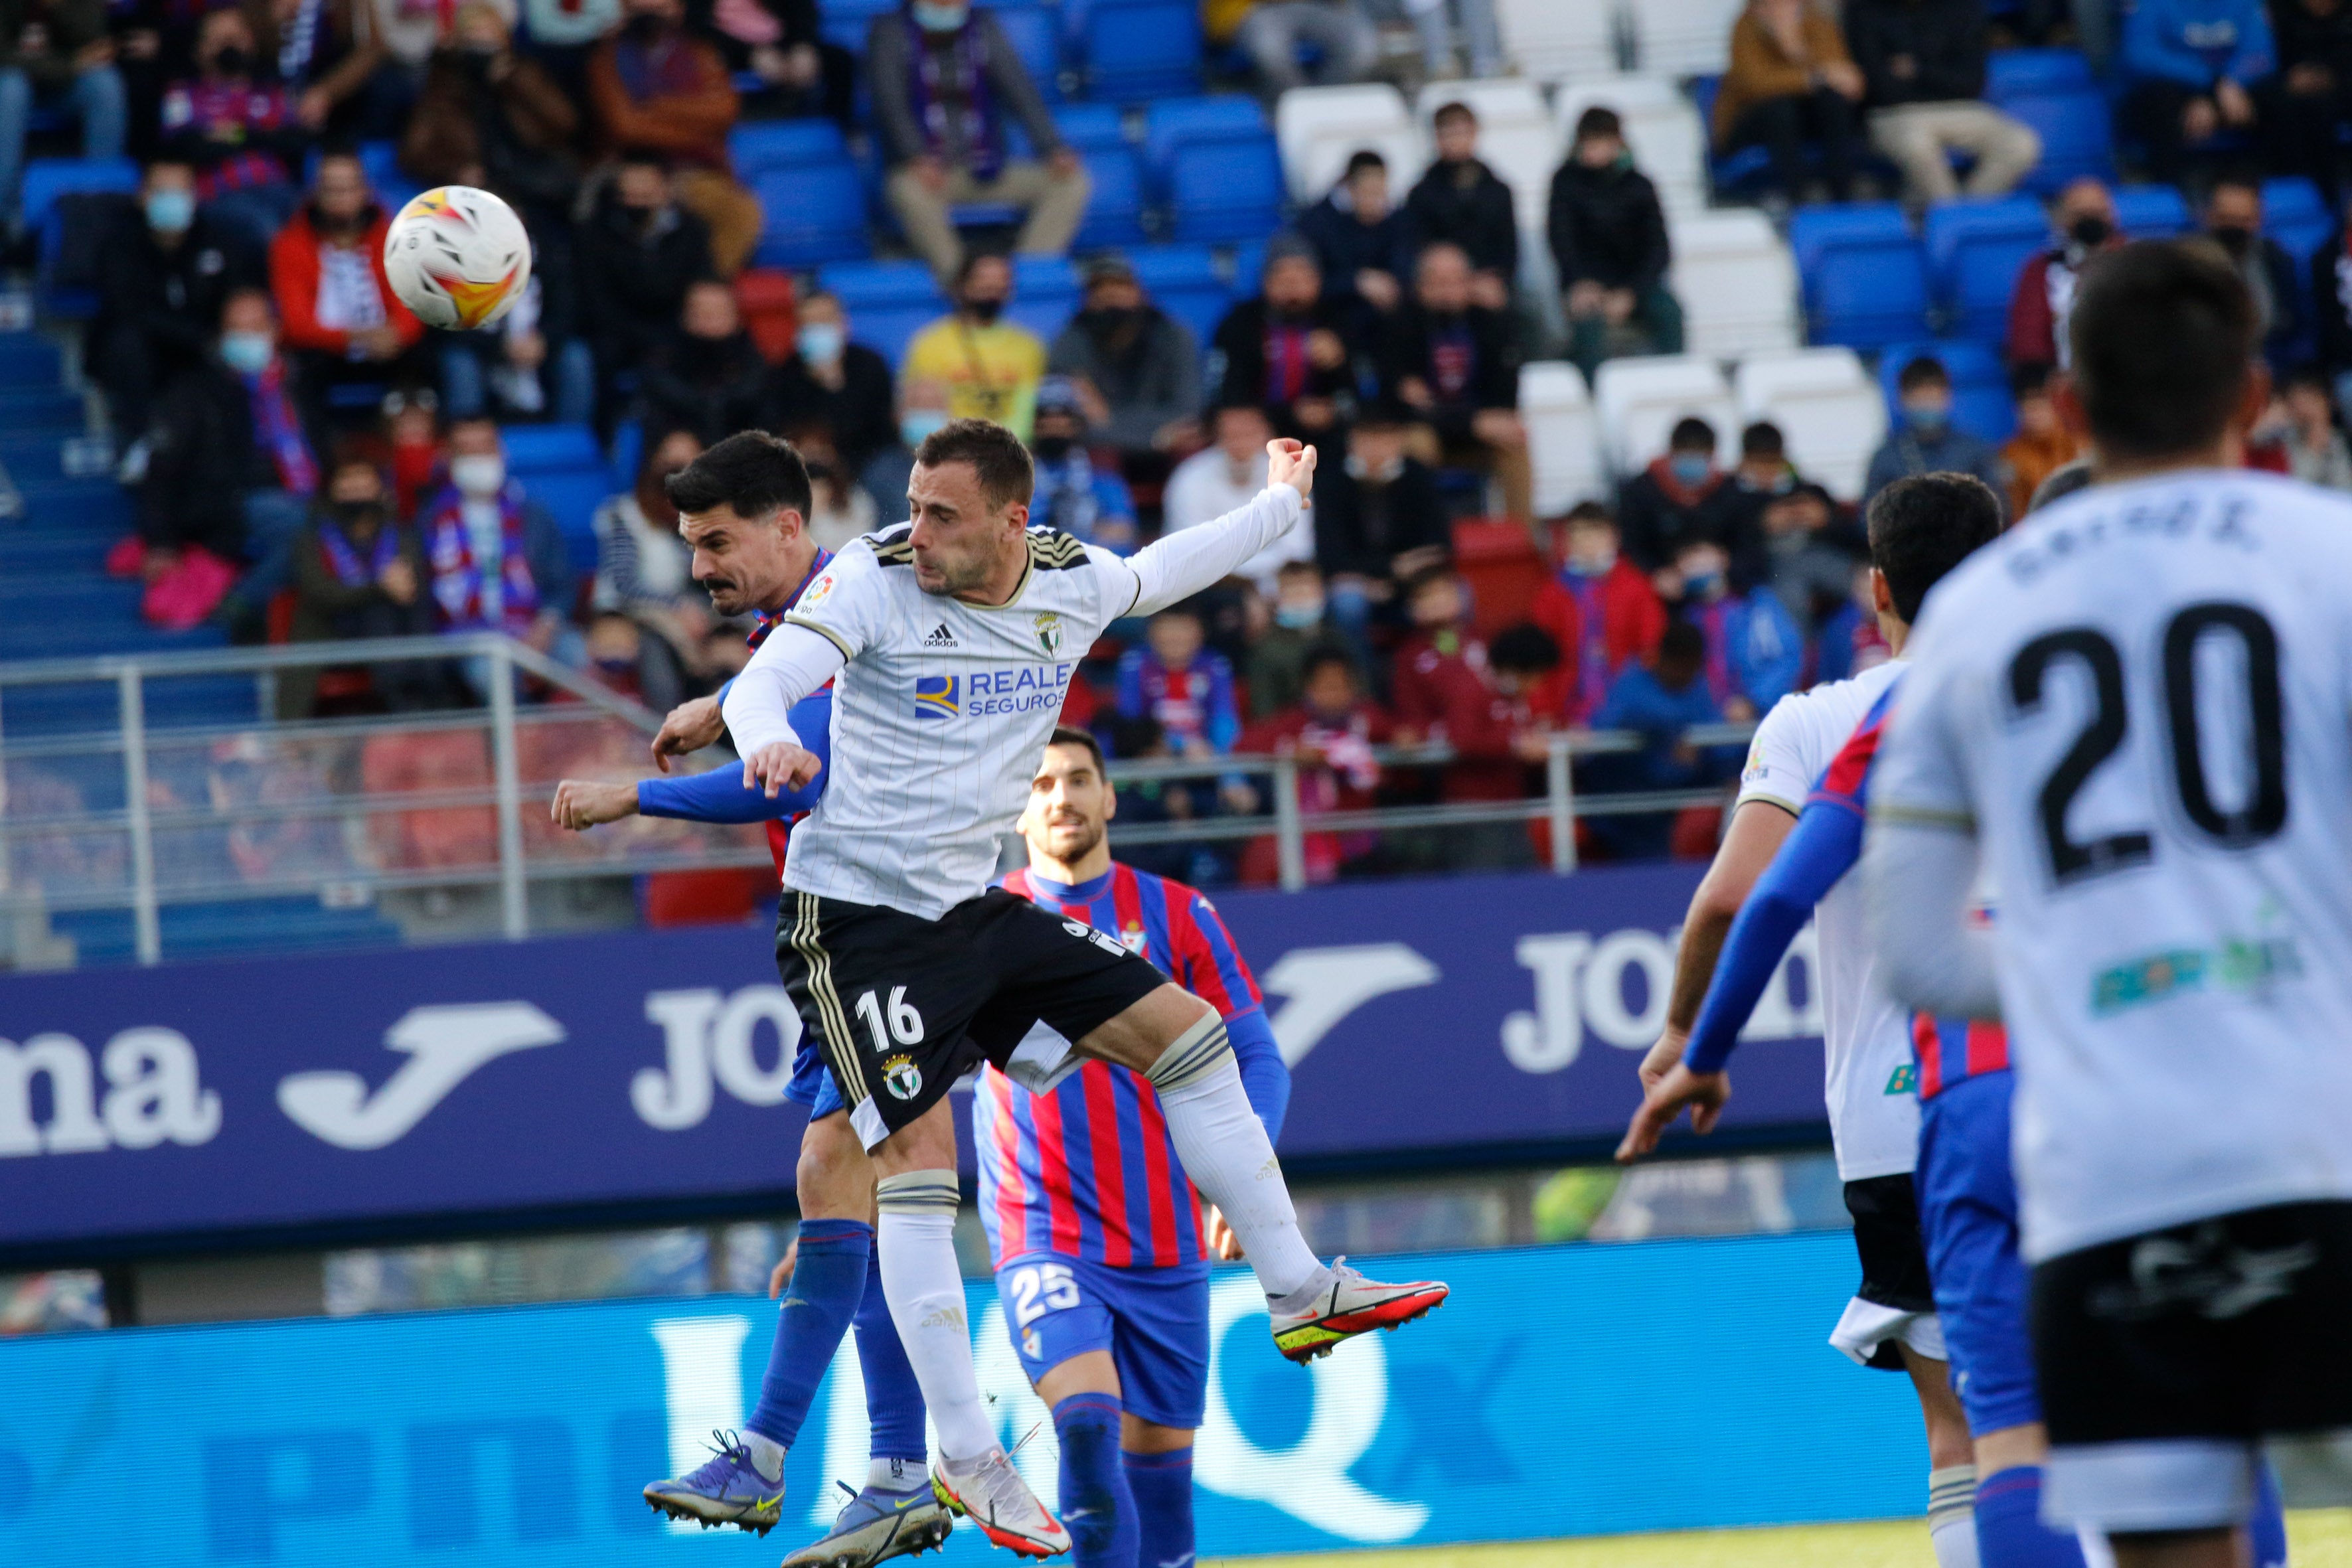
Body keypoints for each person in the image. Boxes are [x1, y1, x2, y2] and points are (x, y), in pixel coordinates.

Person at [708, 420, 1446, 1552]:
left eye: (943, 513)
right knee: (913, 1168)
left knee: (1189, 1036)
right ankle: (963, 1455)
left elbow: (1162, 570)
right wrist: (762, 742)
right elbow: (765, 681)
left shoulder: (1067, 578)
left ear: (1011, 520)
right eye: (911, 502)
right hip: (856, 923)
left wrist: (1280, 504)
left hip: (970, 912)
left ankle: (1296, 1288)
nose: (918, 530)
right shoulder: (871, 576)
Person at [1861, 238, 2352, 1568]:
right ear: (2250, 394)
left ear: (2066, 409)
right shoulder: (2330, 554)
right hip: (2318, 1132)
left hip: (2110, 1164)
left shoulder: (1976, 617)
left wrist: (2102, 959)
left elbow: (1915, 947)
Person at [556, 447, 948, 1565]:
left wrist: (636, 791)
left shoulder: (836, 620)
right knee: (842, 1186)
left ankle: (854, 1466)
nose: (702, 566)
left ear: (788, 527)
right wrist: (722, 701)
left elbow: (801, 772)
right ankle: (862, 1469)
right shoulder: (808, 627)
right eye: (690, 546)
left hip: (894, 926)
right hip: (874, 924)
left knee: (856, 1185)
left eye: (719, 542)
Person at [1618, 472, 2013, 1568]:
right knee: (2116, 1408)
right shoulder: (2059, 690)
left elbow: (1738, 896)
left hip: (1900, 1121)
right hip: (2069, 1085)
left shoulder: (1820, 720)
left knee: (1962, 1427)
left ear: (1873, 589)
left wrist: (1685, 1040)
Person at [979, 728, 1289, 1568]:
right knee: (1084, 1428)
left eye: (1079, 779)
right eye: (1040, 783)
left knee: (1162, 1501)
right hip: (1043, 1233)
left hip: (1166, 1242)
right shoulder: (977, 924)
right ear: (1016, 805)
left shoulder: (1180, 914)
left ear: (1111, 797)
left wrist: (1242, 1181)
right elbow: (904, 1086)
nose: (1061, 797)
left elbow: (1257, 1056)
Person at [868, 0, 1087, 287]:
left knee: (1070, 182)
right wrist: (916, 156)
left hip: (986, 164)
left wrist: (1052, 148)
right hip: (930, 171)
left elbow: (1020, 90)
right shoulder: (890, 31)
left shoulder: (982, 25)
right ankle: (964, 284)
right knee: (907, 190)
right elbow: (890, 103)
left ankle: (1022, 280)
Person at [141, 287, 319, 602]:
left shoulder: (300, 382)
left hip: (304, 492)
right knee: (311, 528)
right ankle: (239, 605)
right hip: (230, 502)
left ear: (275, 330)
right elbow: (163, 466)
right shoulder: (197, 391)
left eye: (255, 328)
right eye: (236, 330)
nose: (246, 338)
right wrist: (161, 542)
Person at [90, 155, 258, 448]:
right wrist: (199, 338)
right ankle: (139, 441)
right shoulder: (118, 244)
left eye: (180, 192)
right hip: (148, 352)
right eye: (161, 192)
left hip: (204, 351)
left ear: (195, 196)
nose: (172, 200)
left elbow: (238, 297)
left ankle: (250, 441)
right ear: (143, 197)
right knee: (126, 343)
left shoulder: (220, 241)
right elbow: (128, 309)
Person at [588, 0, 761, 277]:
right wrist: (697, 130)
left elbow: (725, 109)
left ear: (679, 11)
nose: (652, 15)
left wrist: (658, 106)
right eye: (641, 8)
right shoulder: (607, 58)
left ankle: (703, 289)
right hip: (628, 168)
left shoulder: (700, 53)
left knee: (741, 212)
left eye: (662, 7)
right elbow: (626, 127)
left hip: (694, 171)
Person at [1389, 569, 1551, 854]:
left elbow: (1515, 699)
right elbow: (1414, 718)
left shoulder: (1488, 642)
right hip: (1459, 784)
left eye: (1443, 592)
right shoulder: (1409, 657)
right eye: (1425, 597)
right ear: (1412, 608)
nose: (1436, 601)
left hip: (1509, 787)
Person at [268, 150, 426, 424]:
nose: (341, 198)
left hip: (387, 347)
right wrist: (352, 338)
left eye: (348, 188)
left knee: (430, 355)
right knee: (295, 369)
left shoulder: (395, 237)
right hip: (323, 351)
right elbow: (295, 323)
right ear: (316, 193)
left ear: (365, 190)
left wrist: (397, 334)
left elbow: (411, 303)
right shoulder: (289, 244)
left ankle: (416, 451)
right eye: (332, 190)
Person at [283, 450, 438, 716]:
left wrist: (397, 587)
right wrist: (379, 587)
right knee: (378, 609)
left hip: (394, 627)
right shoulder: (310, 540)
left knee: (393, 612)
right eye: (347, 481)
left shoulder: (403, 536)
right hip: (332, 635)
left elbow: (412, 585)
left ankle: (427, 702)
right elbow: (323, 594)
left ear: (380, 489)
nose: (355, 489)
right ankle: (405, 707)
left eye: (363, 480)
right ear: (331, 489)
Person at [1385, 241, 1531, 522]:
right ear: (1420, 287)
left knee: (1515, 439)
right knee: (1417, 444)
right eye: (1437, 283)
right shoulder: (1400, 327)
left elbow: (1505, 396)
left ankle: (1525, 542)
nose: (1447, 293)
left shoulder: (1491, 325)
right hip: (1428, 432)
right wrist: (1473, 422)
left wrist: (1480, 422)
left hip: (1477, 432)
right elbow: (1403, 406)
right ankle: (1424, 538)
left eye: (1455, 282)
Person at [1843, 0, 2041, 202]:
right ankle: (1954, 218)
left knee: (2020, 143)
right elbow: (1881, 88)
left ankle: (1962, 216)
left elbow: (1972, 82)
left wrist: (1919, 71)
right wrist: (1943, 79)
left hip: (1960, 109)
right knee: (1917, 145)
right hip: (1894, 114)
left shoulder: (1962, 7)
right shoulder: (1864, 9)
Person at [399, 0, 580, 220]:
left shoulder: (525, 72)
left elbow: (565, 123)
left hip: (536, 183)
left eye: (489, 32)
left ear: (504, 37)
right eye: (473, 33)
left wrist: (514, 82)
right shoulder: (443, 85)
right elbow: (415, 153)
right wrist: (457, 170)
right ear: (459, 40)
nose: (482, 40)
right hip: (476, 192)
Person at [1233, 644, 1392, 884]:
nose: (1332, 694)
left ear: (1353, 688)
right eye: (1324, 687)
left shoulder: (1368, 718)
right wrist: (1292, 752)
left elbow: (1397, 738)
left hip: (1361, 840)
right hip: (1310, 842)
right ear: (1309, 689)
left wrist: (1404, 739)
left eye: (1339, 686)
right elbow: (1243, 745)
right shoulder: (1295, 722)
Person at [1583, 620, 1741, 860]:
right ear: (1662, 658)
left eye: (1690, 668)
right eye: (1679, 667)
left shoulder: (1698, 688)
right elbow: (1606, 728)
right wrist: (1669, 737)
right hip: (1625, 805)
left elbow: (1715, 739)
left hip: (1672, 801)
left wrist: (1699, 749)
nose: (1683, 675)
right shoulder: (1634, 682)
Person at [416, 416, 573, 655]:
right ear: (449, 458)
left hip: (533, 628)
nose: (479, 458)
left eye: (485, 448)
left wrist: (546, 626)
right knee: (493, 673)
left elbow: (561, 582)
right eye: (467, 450)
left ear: (501, 451)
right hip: (462, 639)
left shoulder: (533, 515)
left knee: (578, 655)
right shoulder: (430, 520)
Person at [1548, 106, 1682, 380]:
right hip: (1587, 286)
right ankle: (1594, 394)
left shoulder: (1640, 186)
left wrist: (1631, 292)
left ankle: (1674, 383)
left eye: (1599, 141)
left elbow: (1659, 249)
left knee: (1669, 312)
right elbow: (1562, 242)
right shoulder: (1565, 183)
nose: (1591, 150)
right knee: (1587, 322)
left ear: (1616, 143)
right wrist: (1579, 283)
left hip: (1635, 284)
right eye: (1587, 141)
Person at [577, 151, 717, 412]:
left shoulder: (692, 231)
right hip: (619, 336)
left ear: (665, 192)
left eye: (646, 196)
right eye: (629, 196)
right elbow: (597, 303)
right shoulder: (595, 235)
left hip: (677, 332)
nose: (636, 204)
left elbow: (699, 287)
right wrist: (647, 340)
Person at [1310, 402, 1452, 651]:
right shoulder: (1330, 482)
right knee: (1348, 604)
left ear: (1399, 440)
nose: (1376, 448)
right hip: (1357, 582)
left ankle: (1447, 664)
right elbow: (1330, 554)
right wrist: (1390, 569)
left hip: (1415, 579)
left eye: (1385, 439)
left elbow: (1440, 544)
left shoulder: (1418, 476)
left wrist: (1402, 577)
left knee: (1456, 596)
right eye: (1368, 439)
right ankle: (1365, 681)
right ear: (1352, 440)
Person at [159, 7, 305, 248]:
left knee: (316, 226)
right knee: (271, 233)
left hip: (279, 190)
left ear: (251, 45)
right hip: (219, 195)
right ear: (199, 50)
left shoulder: (272, 94)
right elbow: (186, 147)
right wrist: (260, 135)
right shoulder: (183, 96)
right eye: (219, 41)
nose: (229, 48)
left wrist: (234, 135)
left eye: (236, 39)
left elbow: (294, 142)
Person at [1046, 255, 1202, 463]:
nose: (1111, 296)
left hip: (1168, 447)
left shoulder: (1173, 337)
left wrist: (1109, 421)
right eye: (1101, 290)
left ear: (1141, 294)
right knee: (1098, 454)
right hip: (1105, 451)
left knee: (1190, 445)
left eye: (1120, 287)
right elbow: (1070, 425)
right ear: (1087, 300)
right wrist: (1155, 438)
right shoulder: (1070, 342)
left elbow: (1187, 412)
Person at [1712, 0, 1867, 203]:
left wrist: (1798, 51)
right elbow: (1756, 85)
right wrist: (1810, 77)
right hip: (1755, 123)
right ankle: (1798, 199)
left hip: (1804, 120)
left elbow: (1843, 78)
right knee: (1780, 109)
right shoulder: (1746, 28)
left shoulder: (1817, 23)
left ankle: (1843, 195)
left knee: (1832, 104)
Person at [1209, 234, 1358, 442]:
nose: (1293, 289)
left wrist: (1338, 367)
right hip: (1258, 435)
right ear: (1266, 282)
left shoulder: (1339, 322)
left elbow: (1362, 392)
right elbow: (1226, 394)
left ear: (1318, 281)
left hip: (1330, 437)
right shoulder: (1240, 323)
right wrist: (1288, 413)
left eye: (1302, 278)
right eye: (1283, 279)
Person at [1529, 501, 1666, 726]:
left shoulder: (1637, 589)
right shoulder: (1553, 593)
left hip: (1627, 711)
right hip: (1566, 712)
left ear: (1614, 537)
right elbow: (1538, 659)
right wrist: (1542, 710)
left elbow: (1650, 651)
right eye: (1577, 537)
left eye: (1594, 535)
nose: (1586, 545)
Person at [591, 426, 710, 681]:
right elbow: (624, 584)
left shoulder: (697, 522)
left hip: (683, 612)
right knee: (655, 645)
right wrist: (676, 606)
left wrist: (694, 609)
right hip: (624, 613)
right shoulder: (623, 516)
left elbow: (704, 583)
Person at [1724, 421, 1861, 639]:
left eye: (1772, 463)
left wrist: (1826, 520)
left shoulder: (1808, 490)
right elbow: (1729, 546)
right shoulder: (1730, 496)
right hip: (1771, 568)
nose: (1767, 472)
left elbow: (1853, 536)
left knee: (1865, 585)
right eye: (1760, 464)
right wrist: (1760, 526)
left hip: (1818, 558)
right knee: (1792, 598)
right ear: (1745, 461)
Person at [1162, 402, 1312, 598]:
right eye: (1232, 435)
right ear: (1217, 436)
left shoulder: (1290, 473)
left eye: (1249, 434)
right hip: (1210, 587)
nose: (1241, 444)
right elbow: (1191, 552)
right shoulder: (1189, 477)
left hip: (1277, 586)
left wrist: (1258, 585)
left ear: (1267, 434)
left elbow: (1297, 550)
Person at [2119, 0, 2277, 185]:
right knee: (2158, 101)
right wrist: (2212, 83)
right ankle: (2172, 196)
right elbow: (2139, 55)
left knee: (2278, 97)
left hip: (2234, 91)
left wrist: (2230, 84)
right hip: (2176, 89)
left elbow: (2262, 55)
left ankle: (2288, 195)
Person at [0, 0, 124, 232]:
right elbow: (3, 58)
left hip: (61, 88)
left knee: (105, 83)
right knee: (11, 88)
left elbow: (97, 47)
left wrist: (62, 8)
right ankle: (3, 214)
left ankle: (101, 198)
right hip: (12, 89)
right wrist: (69, 66)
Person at [902, 250, 1048, 439]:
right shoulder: (930, 343)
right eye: (984, 279)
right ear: (963, 285)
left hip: (1008, 453)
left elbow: (1029, 417)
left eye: (1001, 280)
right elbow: (918, 418)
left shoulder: (1029, 346)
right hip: (947, 450)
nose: (992, 286)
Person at [1662, 537, 1802, 722]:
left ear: (1723, 557)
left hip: (1760, 721)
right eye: (1687, 558)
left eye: (1701, 554)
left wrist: (1752, 701)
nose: (1696, 565)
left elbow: (1785, 658)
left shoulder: (1757, 606)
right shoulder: (1684, 617)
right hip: (1704, 726)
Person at [771, 289, 898, 479]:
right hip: (809, 467)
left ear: (843, 324)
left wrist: (835, 385)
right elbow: (783, 430)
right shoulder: (784, 374)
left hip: (867, 464)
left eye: (825, 321)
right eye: (810, 324)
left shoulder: (870, 365)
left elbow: (882, 432)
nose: (819, 330)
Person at [1407, 102, 1517, 310]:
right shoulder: (1421, 195)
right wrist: (1457, 283)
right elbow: (1419, 249)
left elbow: (1507, 251)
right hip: (1439, 287)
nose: (1454, 140)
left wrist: (1492, 279)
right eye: (1447, 133)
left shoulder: (1499, 191)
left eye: (1461, 132)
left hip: (1488, 285)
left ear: (1474, 134)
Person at [2005, 177, 2124, 372]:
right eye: (2081, 214)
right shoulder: (2041, 270)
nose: (2091, 220)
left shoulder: (2135, 264)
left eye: (2098, 213)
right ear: (2063, 219)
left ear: (2113, 216)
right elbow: (2028, 344)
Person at [1617, 416, 1751, 581]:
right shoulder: (1641, 491)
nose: (1693, 461)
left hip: (1722, 587)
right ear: (1671, 452)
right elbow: (1630, 546)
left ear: (1712, 455)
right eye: (1687, 453)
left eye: (1700, 455)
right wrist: (1657, 574)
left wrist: (1726, 563)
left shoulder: (1730, 491)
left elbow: (1748, 545)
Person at [1865, 356, 2008, 509]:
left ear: (1948, 396)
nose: (1927, 402)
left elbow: (1999, 507)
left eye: (1932, 395)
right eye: (1919, 396)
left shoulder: (1974, 450)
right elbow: (1869, 515)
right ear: (1902, 399)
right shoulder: (1886, 457)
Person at [640, 277, 771, 445]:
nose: (709, 322)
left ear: (737, 319)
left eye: (718, 314)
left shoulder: (755, 366)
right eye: (701, 313)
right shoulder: (662, 364)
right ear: (684, 317)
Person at [1296, 150, 1414, 333]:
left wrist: (1392, 284)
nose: (1375, 200)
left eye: (1379, 191)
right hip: (1335, 320)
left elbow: (1408, 264)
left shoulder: (1398, 221)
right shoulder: (1316, 224)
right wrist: (1355, 282)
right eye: (1367, 191)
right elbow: (1309, 280)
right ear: (1349, 187)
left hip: (1390, 321)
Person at [2203, 173, 2304, 370]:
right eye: (2226, 219)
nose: (2235, 229)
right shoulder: (2188, 265)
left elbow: (2295, 330)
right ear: (2209, 217)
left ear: (2259, 218)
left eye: (2244, 220)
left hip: (2272, 369)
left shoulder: (2277, 260)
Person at [1026, 376, 1138, 552]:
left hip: (1091, 572)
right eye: (1045, 416)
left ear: (1077, 424)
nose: (1053, 425)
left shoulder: (1105, 480)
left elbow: (1123, 534)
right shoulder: (1017, 482)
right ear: (1034, 423)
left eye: (1062, 416)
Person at [1116, 603, 1239, 758]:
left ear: (1200, 632)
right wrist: (1159, 744)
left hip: (1204, 755)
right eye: (1168, 628)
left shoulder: (1215, 666)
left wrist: (1215, 752)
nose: (1175, 636)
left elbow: (1223, 717)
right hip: (1152, 754)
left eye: (1183, 628)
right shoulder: (1135, 664)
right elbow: (1129, 719)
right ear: (1151, 632)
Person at [2270, 0, 2352, 208]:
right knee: (2287, 105)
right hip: (2294, 94)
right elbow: (2263, 59)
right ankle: (2306, 200)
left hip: (2343, 85)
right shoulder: (2277, 10)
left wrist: (2331, 76)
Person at [1245, 558, 1340, 719]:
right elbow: (1264, 709)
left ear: (1322, 592)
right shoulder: (1265, 649)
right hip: (1290, 733)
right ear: (1278, 596)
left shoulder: (1337, 640)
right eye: (1292, 589)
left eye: (1306, 588)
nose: (1300, 596)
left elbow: (1361, 697)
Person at [1228, 0, 1376, 94]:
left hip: (1320, 6)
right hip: (1258, 9)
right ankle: (1296, 105)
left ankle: (1322, 104)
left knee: (1363, 47)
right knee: (1270, 49)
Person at [860, 374, 951, 520]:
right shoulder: (880, 473)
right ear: (897, 415)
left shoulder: (965, 471)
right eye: (917, 405)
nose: (926, 413)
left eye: (933, 406)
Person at [1999, 363, 2084, 518]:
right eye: (2028, 408)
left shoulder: (2081, 446)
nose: (2035, 416)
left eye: (2041, 407)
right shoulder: (2010, 455)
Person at [2266, 363, 2352, 487]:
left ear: (2328, 404)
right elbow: (2295, 489)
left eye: (2312, 401)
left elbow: (2345, 492)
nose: (2306, 410)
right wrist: (2313, 449)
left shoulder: (2338, 440)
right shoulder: (2277, 442)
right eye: (2299, 403)